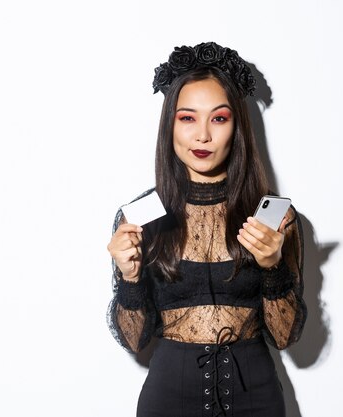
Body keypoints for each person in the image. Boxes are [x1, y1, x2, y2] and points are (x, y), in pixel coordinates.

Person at [106, 41, 306, 417]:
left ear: (237, 126)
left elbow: (284, 336)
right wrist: (129, 277)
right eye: (187, 118)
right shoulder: (141, 216)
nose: (202, 136)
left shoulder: (273, 218)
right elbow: (134, 341)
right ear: (170, 126)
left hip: (256, 399)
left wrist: (273, 266)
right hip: (167, 398)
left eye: (218, 118)